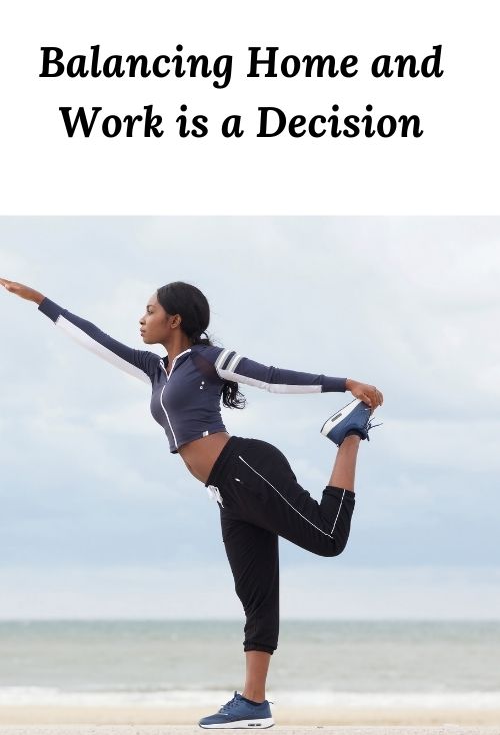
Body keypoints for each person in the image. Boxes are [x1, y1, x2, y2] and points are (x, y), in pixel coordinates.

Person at [0, 277, 383, 729]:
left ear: (174, 319)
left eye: (149, 311)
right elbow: (95, 340)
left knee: (328, 537)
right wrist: (41, 301)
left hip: (247, 467)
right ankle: (253, 702)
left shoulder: (207, 359)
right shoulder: (156, 368)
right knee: (256, 595)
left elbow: (272, 378)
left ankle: (349, 435)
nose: (141, 319)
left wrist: (345, 384)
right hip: (226, 492)